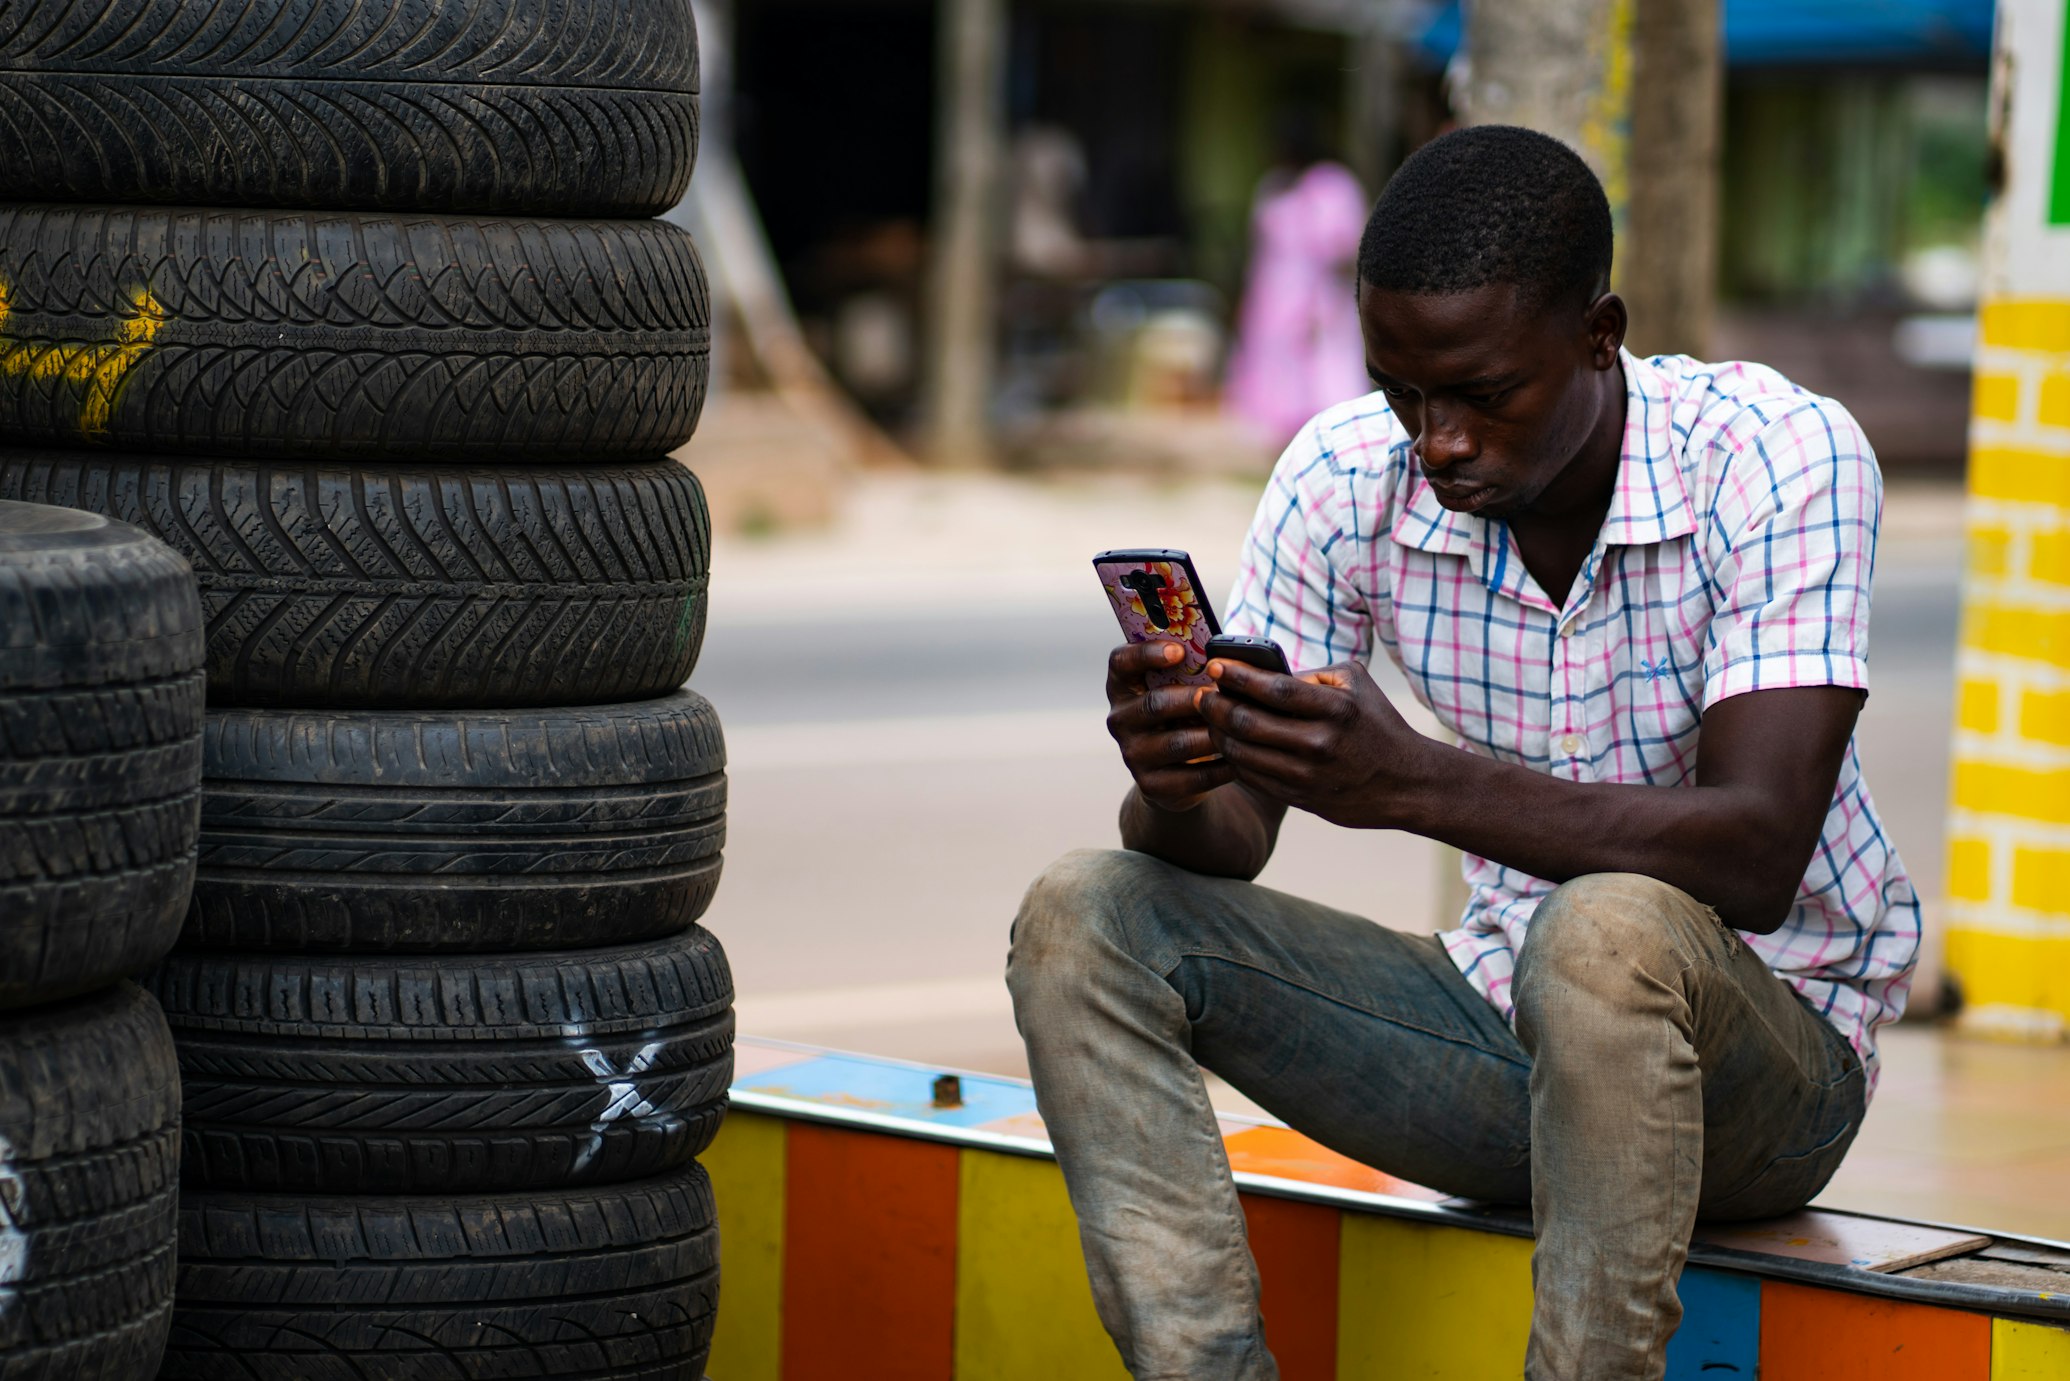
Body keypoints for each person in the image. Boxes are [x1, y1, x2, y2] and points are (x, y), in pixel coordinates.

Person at [1007, 125, 1918, 1381]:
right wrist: (1180, 775)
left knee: (1604, 933)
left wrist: (1412, 782)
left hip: (1764, 1077)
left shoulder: (1774, 457)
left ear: (1601, 336)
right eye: (1403, 392)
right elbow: (1224, 847)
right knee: (1085, 914)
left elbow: (1758, 848)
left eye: (1484, 396)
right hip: (1498, 1043)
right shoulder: (1343, 479)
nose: (1436, 440)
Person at [1223, 110, 1371, 444]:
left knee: (1323, 372)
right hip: (1274, 296)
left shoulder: (1333, 184)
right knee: (1276, 375)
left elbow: (1345, 250)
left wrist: (1319, 302)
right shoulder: (1273, 186)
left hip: (1322, 297)